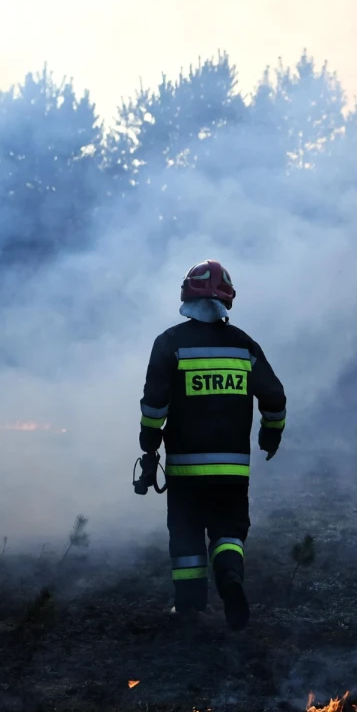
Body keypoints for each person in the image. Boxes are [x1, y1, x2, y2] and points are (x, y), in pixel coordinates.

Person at [137, 259, 286, 630]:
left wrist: (149, 445)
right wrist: (271, 432)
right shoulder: (244, 346)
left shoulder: (169, 344)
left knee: (186, 535)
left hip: (185, 468)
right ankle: (230, 577)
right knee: (229, 531)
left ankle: (189, 608)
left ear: (187, 295)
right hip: (232, 470)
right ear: (227, 300)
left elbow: (155, 405)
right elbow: (275, 397)